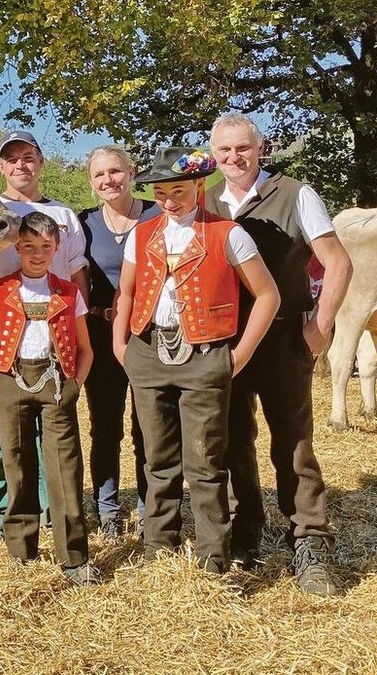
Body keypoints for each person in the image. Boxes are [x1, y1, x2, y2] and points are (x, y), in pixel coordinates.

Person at [113, 146, 280, 574]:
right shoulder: (141, 234)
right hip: (148, 350)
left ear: (199, 185)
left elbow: (268, 295)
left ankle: (212, 558)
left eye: (178, 191)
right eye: (161, 193)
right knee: (157, 459)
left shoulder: (228, 234)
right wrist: (121, 347)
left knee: (205, 462)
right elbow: (126, 293)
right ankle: (159, 549)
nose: (169, 201)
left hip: (206, 355)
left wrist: (237, 356)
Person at [207, 112, 352, 596]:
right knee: (231, 441)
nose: (234, 157)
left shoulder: (295, 194)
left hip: (284, 336)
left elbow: (338, 263)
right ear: (213, 154)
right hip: (225, 340)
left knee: (292, 443)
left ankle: (310, 541)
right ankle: (245, 535)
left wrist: (320, 328)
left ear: (260, 148)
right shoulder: (205, 201)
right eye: (225, 150)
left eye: (243, 148)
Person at [0, 130, 89, 540]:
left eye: (29, 156)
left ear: (41, 163)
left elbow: (76, 273)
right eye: (12, 158)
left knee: (50, 438)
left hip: (50, 340)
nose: (21, 164)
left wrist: (77, 331)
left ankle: (48, 511)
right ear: (1, 166)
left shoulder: (64, 216)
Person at [0, 212, 97, 584]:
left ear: (56, 249)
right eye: (29, 246)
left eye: (45, 246)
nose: (37, 254)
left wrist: (75, 386)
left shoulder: (68, 293)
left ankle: (74, 558)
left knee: (65, 469)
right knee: (17, 466)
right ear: (18, 248)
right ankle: (21, 551)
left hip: (56, 384)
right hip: (10, 381)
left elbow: (86, 349)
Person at [77, 146, 160, 538]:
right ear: (91, 182)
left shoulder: (157, 214)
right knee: (105, 428)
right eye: (99, 175)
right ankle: (107, 508)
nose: (108, 180)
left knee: (149, 427)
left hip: (150, 336)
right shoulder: (83, 225)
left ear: (131, 171)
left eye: (115, 171)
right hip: (101, 333)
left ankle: (148, 508)